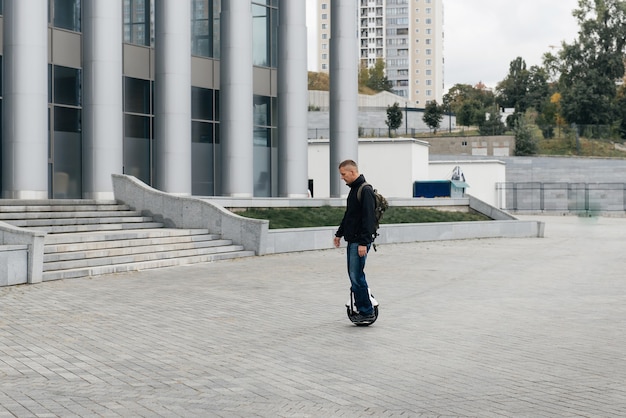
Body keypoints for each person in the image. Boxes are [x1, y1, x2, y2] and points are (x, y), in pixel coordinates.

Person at [333, 159, 377, 324]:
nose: (342, 178)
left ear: (352, 172)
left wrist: (363, 243)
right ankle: (363, 306)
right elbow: (349, 216)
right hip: (353, 241)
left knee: (357, 276)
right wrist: (339, 234)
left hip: (359, 242)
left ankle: (367, 312)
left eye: (343, 174)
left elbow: (369, 219)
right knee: (354, 276)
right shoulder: (354, 190)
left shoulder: (365, 190)